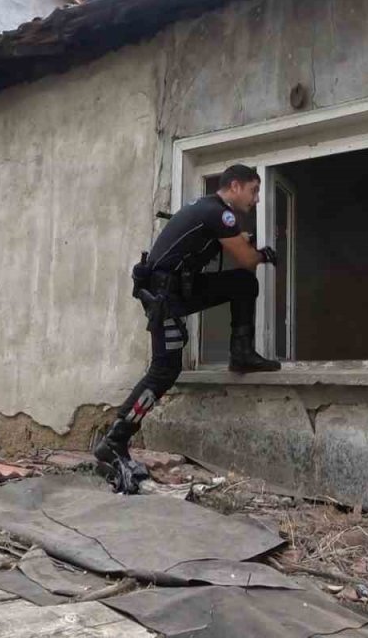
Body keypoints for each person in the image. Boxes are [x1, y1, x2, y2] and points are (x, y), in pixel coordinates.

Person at [95, 163, 280, 493]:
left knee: (241, 284)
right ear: (235, 186)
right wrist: (264, 254)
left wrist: (243, 245)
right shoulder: (221, 215)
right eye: (254, 191)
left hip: (177, 289)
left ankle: (241, 353)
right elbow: (248, 260)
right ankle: (115, 441)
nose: (257, 200)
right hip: (166, 296)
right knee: (165, 370)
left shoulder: (205, 207)